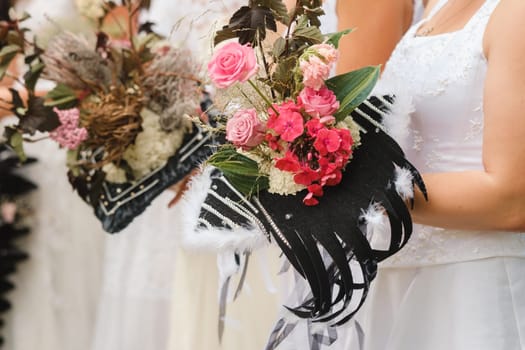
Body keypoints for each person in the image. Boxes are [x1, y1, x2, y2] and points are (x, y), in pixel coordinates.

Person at [339, 0, 525, 349]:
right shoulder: (437, 6)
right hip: (395, 271)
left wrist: (365, 190)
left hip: (472, 281)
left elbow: (514, 199)